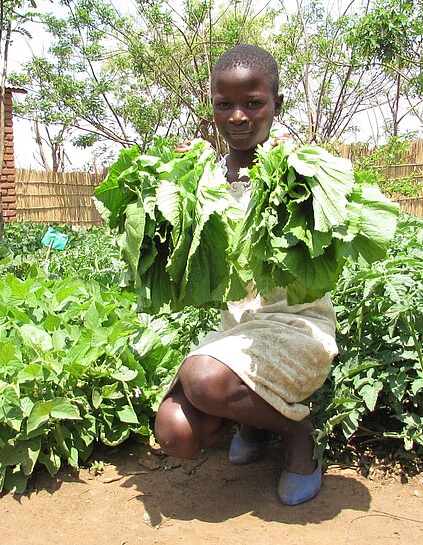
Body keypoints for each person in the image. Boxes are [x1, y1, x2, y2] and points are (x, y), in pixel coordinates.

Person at [154, 44, 339, 506]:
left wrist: (302, 177)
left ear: (276, 104)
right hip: (237, 334)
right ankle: (254, 422)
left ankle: (297, 432)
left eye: (253, 103)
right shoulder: (204, 180)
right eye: (224, 104)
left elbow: (336, 244)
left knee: (202, 380)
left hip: (297, 329)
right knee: (174, 433)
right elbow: (178, 268)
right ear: (211, 105)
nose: (237, 117)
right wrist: (172, 185)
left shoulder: (302, 171)